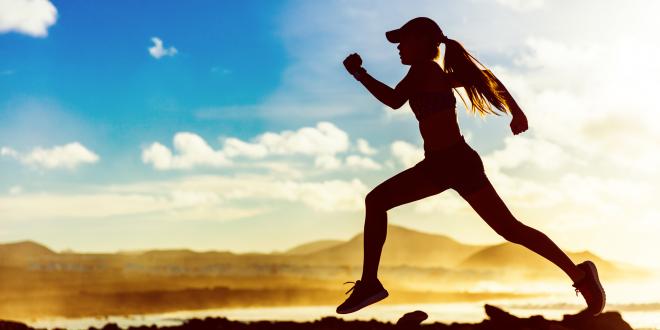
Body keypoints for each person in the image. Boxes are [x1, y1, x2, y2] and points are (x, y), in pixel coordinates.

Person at [336, 17, 606, 316]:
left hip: (454, 163)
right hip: (443, 165)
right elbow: (486, 77)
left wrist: (359, 73)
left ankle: (371, 284)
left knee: (378, 202)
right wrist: (516, 112)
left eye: (405, 40)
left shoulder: (423, 70)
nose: (399, 47)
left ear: (425, 43)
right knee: (510, 229)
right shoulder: (432, 74)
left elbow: (395, 100)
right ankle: (580, 275)